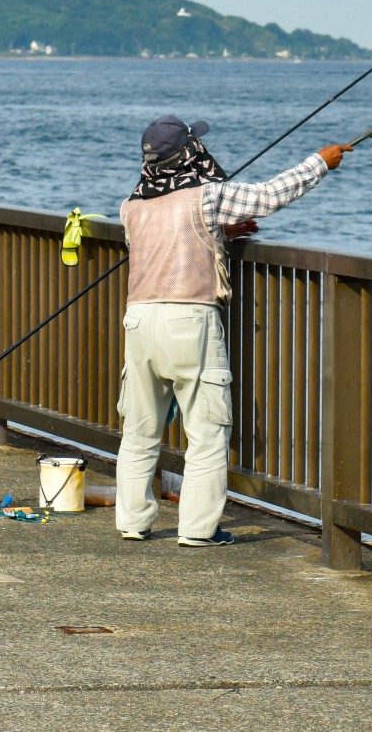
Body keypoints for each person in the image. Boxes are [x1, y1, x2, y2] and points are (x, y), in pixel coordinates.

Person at [114, 115, 347, 546]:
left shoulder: (132, 206)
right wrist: (320, 162)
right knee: (206, 433)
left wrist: (220, 230)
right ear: (189, 152)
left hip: (139, 320)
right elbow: (267, 196)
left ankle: (133, 522)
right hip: (190, 320)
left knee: (140, 430)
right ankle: (199, 530)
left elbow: (169, 239)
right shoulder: (206, 197)